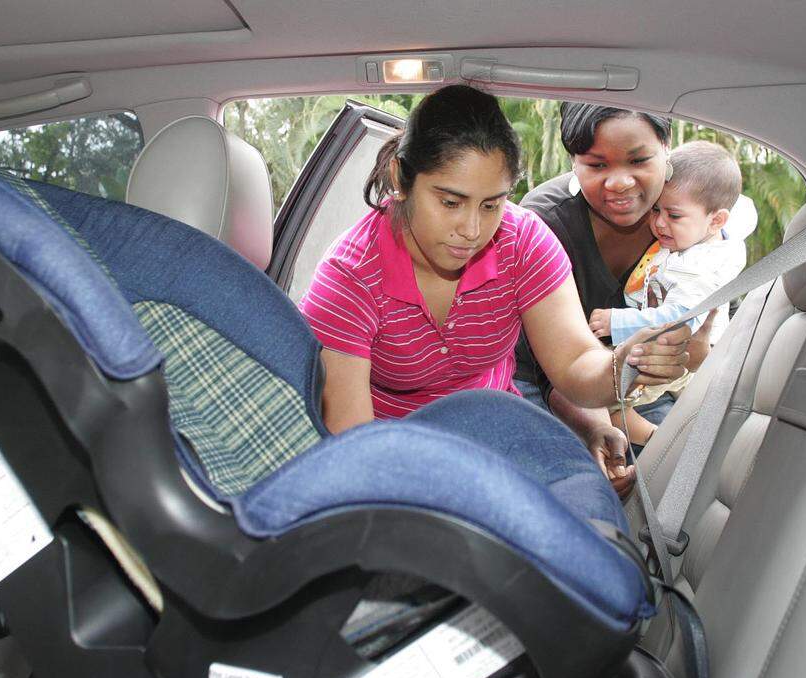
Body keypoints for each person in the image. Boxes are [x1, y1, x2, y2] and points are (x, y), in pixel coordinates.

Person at [298, 85, 689, 494]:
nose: (471, 231)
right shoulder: (350, 278)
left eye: (491, 205)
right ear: (401, 178)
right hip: (394, 459)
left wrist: (621, 364)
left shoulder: (523, 241)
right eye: (450, 202)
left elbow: (574, 361)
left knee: (585, 508)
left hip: (499, 436)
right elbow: (353, 443)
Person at [514, 103, 714, 448]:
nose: (620, 183)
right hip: (546, 385)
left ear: (666, 147)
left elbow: (702, 345)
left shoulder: (689, 217)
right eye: (596, 164)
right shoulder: (545, 223)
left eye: (639, 161)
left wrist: (692, 353)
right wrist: (597, 427)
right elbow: (552, 369)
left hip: (645, 388)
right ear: (573, 162)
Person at [587, 140, 747, 449]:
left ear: (716, 220)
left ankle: (659, 443)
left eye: (674, 215)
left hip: (678, 356)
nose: (659, 223)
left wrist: (616, 322)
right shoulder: (691, 243)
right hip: (679, 356)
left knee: (605, 398)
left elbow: (680, 319)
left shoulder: (699, 267)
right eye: (656, 210)